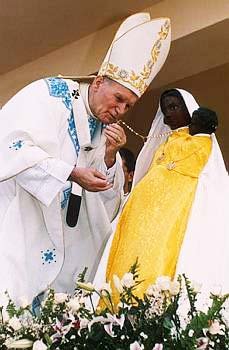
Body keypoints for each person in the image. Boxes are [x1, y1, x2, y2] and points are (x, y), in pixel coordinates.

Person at [0, 13, 171, 304]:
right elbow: (11, 147)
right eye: (118, 99)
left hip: (67, 244)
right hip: (21, 226)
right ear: (98, 82)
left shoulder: (104, 130)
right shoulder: (47, 95)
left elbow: (106, 204)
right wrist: (69, 172)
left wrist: (109, 158)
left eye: (128, 105)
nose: (121, 110)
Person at [104, 89, 229, 304]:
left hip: (177, 217)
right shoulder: (162, 145)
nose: (168, 114)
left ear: (190, 110)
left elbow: (210, 184)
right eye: (165, 110)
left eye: (174, 107)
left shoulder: (203, 143)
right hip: (142, 218)